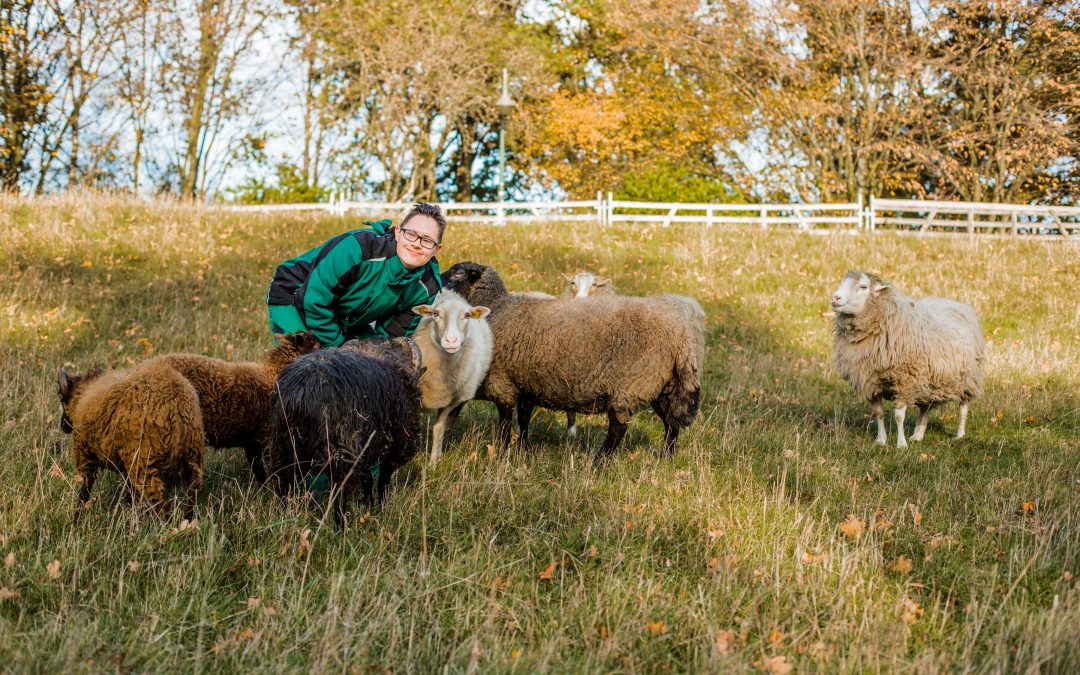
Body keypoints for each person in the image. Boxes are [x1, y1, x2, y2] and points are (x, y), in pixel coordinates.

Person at [266, 202, 445, 347]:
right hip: (297, 293)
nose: (416, 244)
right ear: (398, 233)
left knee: (367, 365)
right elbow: (313, 300)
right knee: (300, 367)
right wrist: (340, 347)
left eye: (427, 240)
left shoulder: (426, 287)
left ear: (437, 249)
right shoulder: (358, 248)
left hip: (345, 313)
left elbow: (392, 338)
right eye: (411, 234)